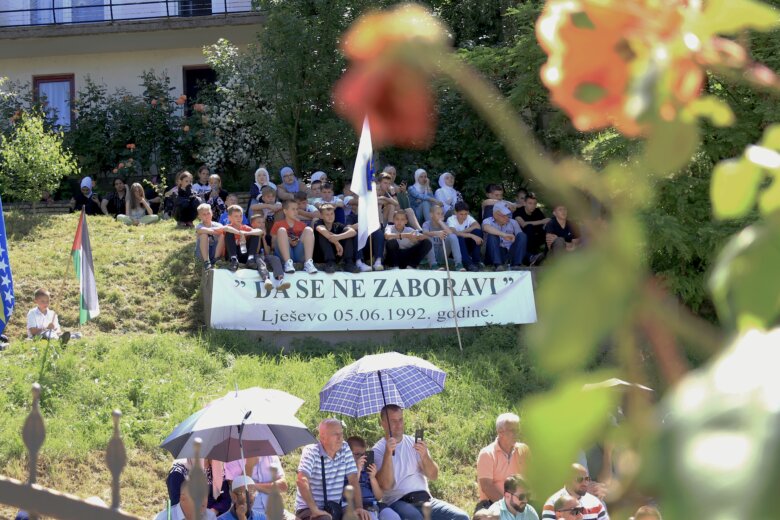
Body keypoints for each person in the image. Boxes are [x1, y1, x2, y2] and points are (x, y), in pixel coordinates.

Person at [373, 405, 469, 520]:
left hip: (426, 499)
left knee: (462, 517)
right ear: (383, 423)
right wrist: (388, 453)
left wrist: (425, 457)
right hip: (398, 502)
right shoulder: (378, 450)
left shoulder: (414, 443)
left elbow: (434, 475)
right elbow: (386, 485)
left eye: (401, 420)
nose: (398, 425)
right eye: (393, 421)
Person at [295, 418, 370, 520]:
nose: (340, 438)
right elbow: (301, 480)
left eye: (341, 433)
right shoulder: (311, 451)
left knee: (360, 517)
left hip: (336, 507)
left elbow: (353, 480)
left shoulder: (345, 448)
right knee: (325, 518)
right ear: (322, 437)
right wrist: (315, 510)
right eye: (335, 434)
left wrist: (359, 507)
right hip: (308, 508)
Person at [475, 413, 531, 511]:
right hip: (492, 504)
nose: (517, 434)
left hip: (520, 501)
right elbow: (487, 487)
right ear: (500, 432)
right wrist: (509, 507)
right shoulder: (487, 454)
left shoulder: (523, 450)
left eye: (518, 430)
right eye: (513, 431)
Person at [345, 436, 401, 520]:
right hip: (359, 507)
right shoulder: (345, 471)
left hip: (375, 505)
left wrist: (372, 478)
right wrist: (358, 471)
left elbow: (379, 497)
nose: (361, 458)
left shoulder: (367, 470)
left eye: (363, 455)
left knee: (394, 517)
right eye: (357, 454)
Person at [225, 456, 293, 520]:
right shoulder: (233, 458)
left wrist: (254, 486)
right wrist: (249, 466)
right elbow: (238, 493)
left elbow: (283, 486)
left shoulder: (270, 454)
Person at [223, 206, 273, 287]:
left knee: (255, 233)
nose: (239, 218)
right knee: (229, 234)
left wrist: (245, 233)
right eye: (236, 216)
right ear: (229, 218)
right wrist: (240, 233)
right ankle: (234, 259)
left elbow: (259, 231)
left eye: (240, 216)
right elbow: (226, 228)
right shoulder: (228, 227)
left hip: (244, 254)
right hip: (232, 253)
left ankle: (250, 258)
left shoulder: (245, 227)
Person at [541, 464, 609, 520]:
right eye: (579, 479)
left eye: (587, 479)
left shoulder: (596, 503)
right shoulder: (552, 503)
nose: (585, 482)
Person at [271, 199, 318, 274]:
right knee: (282, 230)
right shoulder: (278, 224)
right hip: (284, 254)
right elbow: (273, 245)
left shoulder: (302, 225)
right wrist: (287, 240)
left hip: (298, 253)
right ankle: (287, 263)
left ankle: (308, 263)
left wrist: (297, 241)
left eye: (297, 209)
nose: (296, 212)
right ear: (285, 211)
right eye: (293, 209)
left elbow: (306, 241)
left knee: (308, 229)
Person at [482, 204, 531, 270]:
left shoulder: (513, 222)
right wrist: (504, 235)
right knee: (492, 235)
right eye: (504, 215)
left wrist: (514, 239)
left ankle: (516, 265)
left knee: (522, 235)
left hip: (510, 252)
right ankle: (498, 265)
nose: (507, 217)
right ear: (495, 215)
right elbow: (486, 228)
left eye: (508, 214)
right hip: (494, 253)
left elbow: (521, 238)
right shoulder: (488, 221)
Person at [314, 203, 358, 273]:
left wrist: (337, 237)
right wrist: (337, 243)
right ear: (322, 216)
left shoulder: (337, 225)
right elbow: (321, 230)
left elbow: (353, 232)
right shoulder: (318, 222)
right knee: (323, 234)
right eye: (327, 214)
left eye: (332, 214)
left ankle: (348, 262)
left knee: (347, 233)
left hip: (337, 255)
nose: (330, 216)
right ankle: (330, 263)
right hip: (321, 256)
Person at [250, 214, 290, 291]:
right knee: (259, 259)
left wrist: (264, 238)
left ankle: (280, 280)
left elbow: (267, 252)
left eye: (263, 222)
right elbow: (256, 251)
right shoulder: (251, 235)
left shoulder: (267, 236)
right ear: (252, 224)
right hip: (255, 256)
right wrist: (258, 236)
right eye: (259, 222)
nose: (262, 224)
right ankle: (266, 279)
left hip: (265, 256)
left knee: (275, 258)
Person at [421, 204, 462, 271]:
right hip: (430, 255)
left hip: (442, 255)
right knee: (427, 237)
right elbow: (424, 233)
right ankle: (433, 265)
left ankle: (458, 264)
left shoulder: (444, 224)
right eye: (438, 213)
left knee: (453, 236)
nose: (441, 215)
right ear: (431, 215)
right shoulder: (427, 224)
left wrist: (440, 222)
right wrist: (436, 233)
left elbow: (450, 233)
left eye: (442, 214)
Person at [446, 201, 483, 272]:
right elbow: (454, 232)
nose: (464, 216)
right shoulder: (451, 219)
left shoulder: (468, 218)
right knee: (459, 238)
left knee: (477, 232)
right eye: (461, 214)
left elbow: (477, 226)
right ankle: (468, 264)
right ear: (455, 213)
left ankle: (476, 261)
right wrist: (471, 235)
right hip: (455, 249)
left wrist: (463, 232)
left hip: (466, 245)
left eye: (466, 214)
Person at [513, 193, 549, 259]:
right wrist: (542, 221)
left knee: (549, 229)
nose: (533, 206)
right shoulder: (518, 211)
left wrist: (547, 223)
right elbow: (523, 224)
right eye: (530, 203)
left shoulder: (537, 211)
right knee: (529, 227)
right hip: (522, 238)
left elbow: (545, 222)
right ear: (524, 203)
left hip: (536, 237)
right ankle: (531, 255)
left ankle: (547, 255)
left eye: (535, 204)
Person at [195, 203, 225, 271]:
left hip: (215, 251)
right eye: (204, 214)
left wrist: (219, 231)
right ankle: (206, 261)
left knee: (223, 235)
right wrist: (215, 231)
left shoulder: (218, 224)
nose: (207, 216)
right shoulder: (199, 226)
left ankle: (216, 259)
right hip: (202, 253)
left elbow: (223, 231)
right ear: (199, 216)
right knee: (203, 234)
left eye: (208, 213)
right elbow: (201, 230)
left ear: (212, 213)